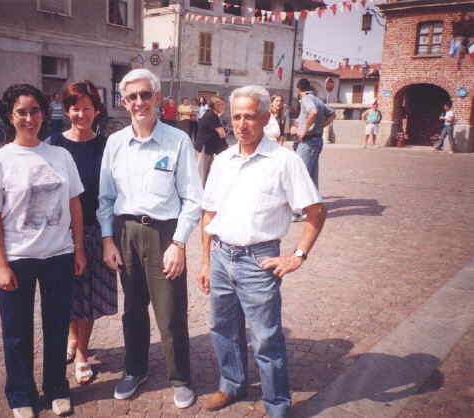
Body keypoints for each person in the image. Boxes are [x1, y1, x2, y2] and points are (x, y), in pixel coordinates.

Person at [197, 85, 327, 417]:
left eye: (250, 117)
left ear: (266, 118)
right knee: (222, 328)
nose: (241, 124)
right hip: (221, 257)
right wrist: (204, 262)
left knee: (266, 339)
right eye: (236, 116)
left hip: (259, 260)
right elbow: (209, 214)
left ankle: (277, 405)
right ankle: (231, 384)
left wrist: (297, 256)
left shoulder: (284, 161)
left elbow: (316, 212)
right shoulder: (223, 160)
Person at [0, 84, 86, 418]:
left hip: (58, 256)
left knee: (56, 327)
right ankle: (21, 394)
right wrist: (1, 265)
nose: (29, 118)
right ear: (10, 116)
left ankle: (56, 388)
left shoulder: (60, 155)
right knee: (17, 332)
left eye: (35, 110)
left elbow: (74, 205)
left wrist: (78, 250)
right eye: (22, 112)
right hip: (18, 259)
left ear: (43, 114)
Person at [97, 69, 202, 409]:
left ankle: (181, 377)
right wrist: (108, 240)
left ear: (158, 98)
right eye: (132, 97)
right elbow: (106, 199)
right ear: (124, 102)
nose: (139, 102)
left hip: (164, 235)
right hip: (126, 233)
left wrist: (180, 243)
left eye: (146, 95)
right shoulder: (115, 143)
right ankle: (135, 370)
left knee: (171, 311)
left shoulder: (178, 141)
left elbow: (192, 198)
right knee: (133, 310)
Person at [47, 81, 117, 385]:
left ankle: (81, 352)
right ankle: (73, 340)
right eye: (75, 107)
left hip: (94, 230)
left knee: (87, 297)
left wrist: (109, 237)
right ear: (67, 110)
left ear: (97, 110)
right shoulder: (53, 145)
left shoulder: (106, 146)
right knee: (69, 295)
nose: (81, 113)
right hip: (61, 234)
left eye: (87, 107)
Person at [295, 78, 335, 190]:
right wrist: (321, 125)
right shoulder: (318, 100)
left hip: (308, 141)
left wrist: (304, 130)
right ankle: (314, 204)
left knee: (300, 173)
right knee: (311, 175)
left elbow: (313, 112)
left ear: (298, 89)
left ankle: (303, 204)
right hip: (316, 140)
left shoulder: (306, 98)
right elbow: (332, 114)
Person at [196, 95, 227, 186]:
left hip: (209, 147)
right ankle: (199, 194)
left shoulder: (213, 115)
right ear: (216, 105)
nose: (223, 107)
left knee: (206, 172)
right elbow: (222, 133)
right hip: (205, 147)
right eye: (221, 105)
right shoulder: (211, 116)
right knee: (202, 173)